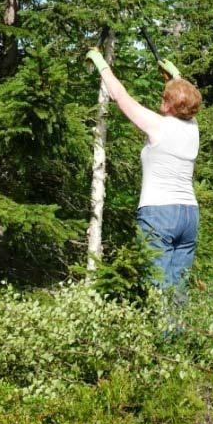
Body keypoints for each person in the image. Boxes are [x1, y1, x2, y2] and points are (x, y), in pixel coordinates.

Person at [85, 47, 202, 304]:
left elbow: (120, 96)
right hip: (189, 214)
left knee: (157, 286)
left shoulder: (157, 125)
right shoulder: (193, 128)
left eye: (165, 98)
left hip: (159, 214)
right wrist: (174, 75)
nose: (162, 99)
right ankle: (179, 339)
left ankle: (161, 340)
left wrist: (101, 62)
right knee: (178, 286)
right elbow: (187, 100)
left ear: (172, 105)